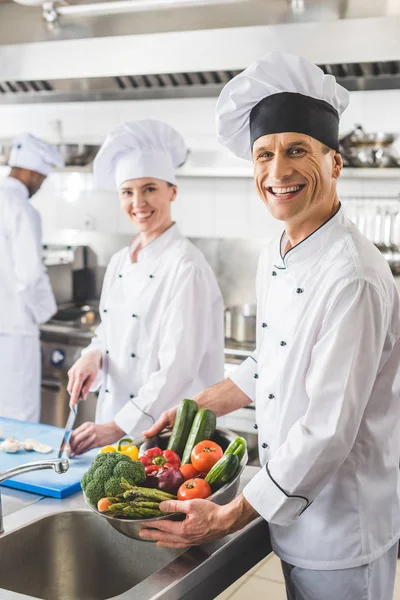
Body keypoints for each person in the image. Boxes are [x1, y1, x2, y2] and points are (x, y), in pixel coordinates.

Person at [141, 53, 400, 600]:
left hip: (341, 530)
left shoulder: (353, 277)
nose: (278, 172)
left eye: (298, 151)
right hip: (292, 514)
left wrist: (231, 513)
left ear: (335, 164)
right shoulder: (278, 251)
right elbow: (271, 361)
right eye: (265, 154)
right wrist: (197, 406)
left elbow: (327, 430)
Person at [67, 119, 224, 456]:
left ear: (173, 191)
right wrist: (91, 356)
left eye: (150, 188)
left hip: (162, 435)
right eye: (127, 191)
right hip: (116, 428)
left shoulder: (187, 266)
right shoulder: (122, 260)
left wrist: (117, 426)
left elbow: (177, 370)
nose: (138, 202)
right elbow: (110, 331)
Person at [0, 133, 64, 422]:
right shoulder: (23, 211)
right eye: (42, 178)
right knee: (18, 420)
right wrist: (46, 313)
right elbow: (29, 276)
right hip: (13, 333)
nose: (40, 185)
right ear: (31, 171)